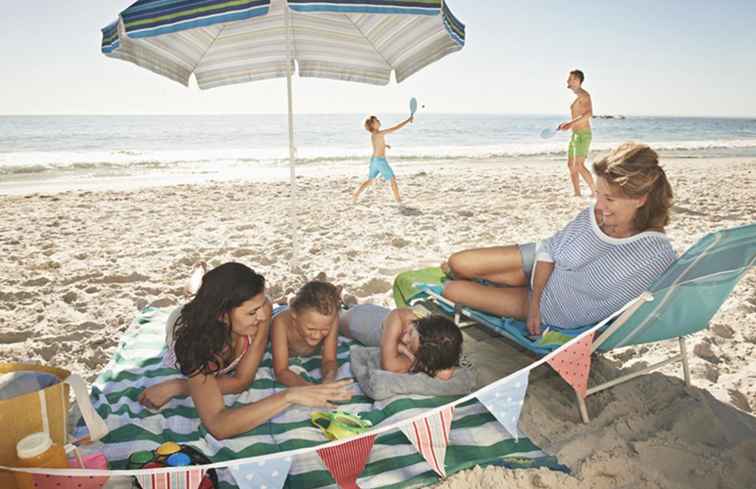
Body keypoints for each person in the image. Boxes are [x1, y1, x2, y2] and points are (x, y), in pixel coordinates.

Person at [441, 142, 677, 336]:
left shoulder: (655, 254)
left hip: (553, 307)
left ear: (640, 199)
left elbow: (649, 306)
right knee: (458, 263)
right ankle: (497, 279)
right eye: (598, 194)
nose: (600, 205)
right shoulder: (593, 217)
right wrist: (534, 302)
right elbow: (550, 250)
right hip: (542, 267)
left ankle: (495, 281)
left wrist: (537, 308)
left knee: (452, 290)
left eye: (610, 199)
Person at [138, 263, 351, 440]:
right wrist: (289, 396)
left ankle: (201, 278)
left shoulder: (264, 311)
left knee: (207, 294)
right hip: (183, 322)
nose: (263, 316)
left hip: (213, 313)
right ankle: (196, 280)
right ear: (222, 315)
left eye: (261, 305)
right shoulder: (195, 346)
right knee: (192, 298)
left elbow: (242, 382)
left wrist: (179, 387)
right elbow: (218, 425)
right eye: (251, 312)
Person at [339, 303, 462, 380]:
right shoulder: (400, 316)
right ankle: (342, 301)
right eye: (410, 333)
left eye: (409, 346)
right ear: (419, 322)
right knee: (337, 314)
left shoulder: (432, 336)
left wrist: (409, 353)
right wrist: (410, 354)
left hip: (374, 313)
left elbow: (446, 374)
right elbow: (389, 366)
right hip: (355, 320)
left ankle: (348, 301)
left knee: (348, 304)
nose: (404, 339)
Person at [271, 281, 342, 386]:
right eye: (311, 329)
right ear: (294, 315)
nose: (317, 336)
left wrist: (329, 379)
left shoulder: (330, 318)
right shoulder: (280, 323)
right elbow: (281, 371)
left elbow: (330, 359)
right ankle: (287, 297)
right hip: (279, 311)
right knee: (275, 307)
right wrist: (310, 389)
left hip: (297, 309)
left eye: (324, 330)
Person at [352, 114, 414, 204]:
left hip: (374, 160)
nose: (378, 120)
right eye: (376, 120)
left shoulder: (374, 135)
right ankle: (399, 201)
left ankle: (356, 194)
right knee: (392, 179)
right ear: (372, 125)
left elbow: (377, 145)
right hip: (380, 161)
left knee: (370, 180)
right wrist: (408, 120)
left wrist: (385, 145)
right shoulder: (379, 133)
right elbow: (394, 128)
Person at [559, 69, 596, 196]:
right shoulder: (578, 96)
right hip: (575, 135)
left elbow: (588, 114)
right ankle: (577, 193)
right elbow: (578, 115)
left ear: (577, 80)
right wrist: (567, 124)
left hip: (583, 135)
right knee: (571, 165)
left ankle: (595, 192)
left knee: (579, 165)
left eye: (570, 78)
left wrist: (570, 124)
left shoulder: (584, 95)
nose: (568, 81)